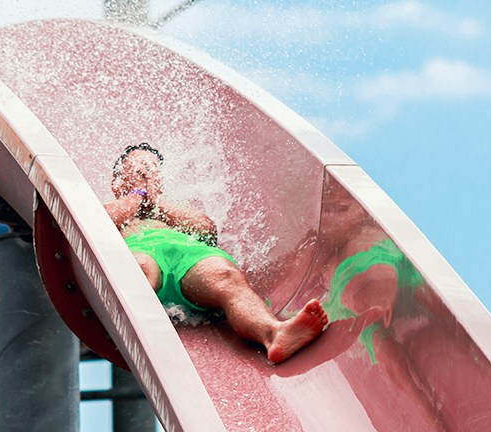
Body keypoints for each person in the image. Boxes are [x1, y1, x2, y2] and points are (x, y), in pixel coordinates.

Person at [103, 143, 327, 364]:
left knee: (224, 274)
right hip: (141, 251)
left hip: (188, 256)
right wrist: (137, 195)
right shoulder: (109, 209)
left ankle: (273, 333)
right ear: (117, 182)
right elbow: (102, 223)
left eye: (151, 170)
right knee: (138, 269)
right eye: (139, 170)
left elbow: (205, 230)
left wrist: (156, 201)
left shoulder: (170, 208)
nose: (146, 175)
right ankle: (137, 333)